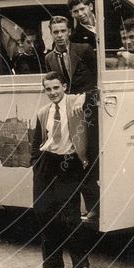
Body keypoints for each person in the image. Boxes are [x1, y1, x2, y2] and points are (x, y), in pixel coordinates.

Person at [30, 72, 99, 268]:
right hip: (46, 165)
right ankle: (52, 265)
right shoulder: (43, 112)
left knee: (70, 217)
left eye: (56, 88)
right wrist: (37, 164)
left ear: (65, 87)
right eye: (48, 89)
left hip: (68, 164)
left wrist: (83, 96)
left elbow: (99, 93)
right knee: (44, 212)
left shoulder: (75, 103)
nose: (52, 93)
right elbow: (37, 142)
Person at [44, 15, 99, 223]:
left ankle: (96, 207)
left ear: (69, 31)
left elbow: (99, 79)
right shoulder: (49, 58)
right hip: (68, 114)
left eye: (63, 31)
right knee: (73, 158)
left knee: (89, 158)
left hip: (88, 111)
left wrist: (86, 96)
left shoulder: (83, 50)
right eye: (55, 31)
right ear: (51, 33)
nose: (59, 35)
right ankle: (78, 209)